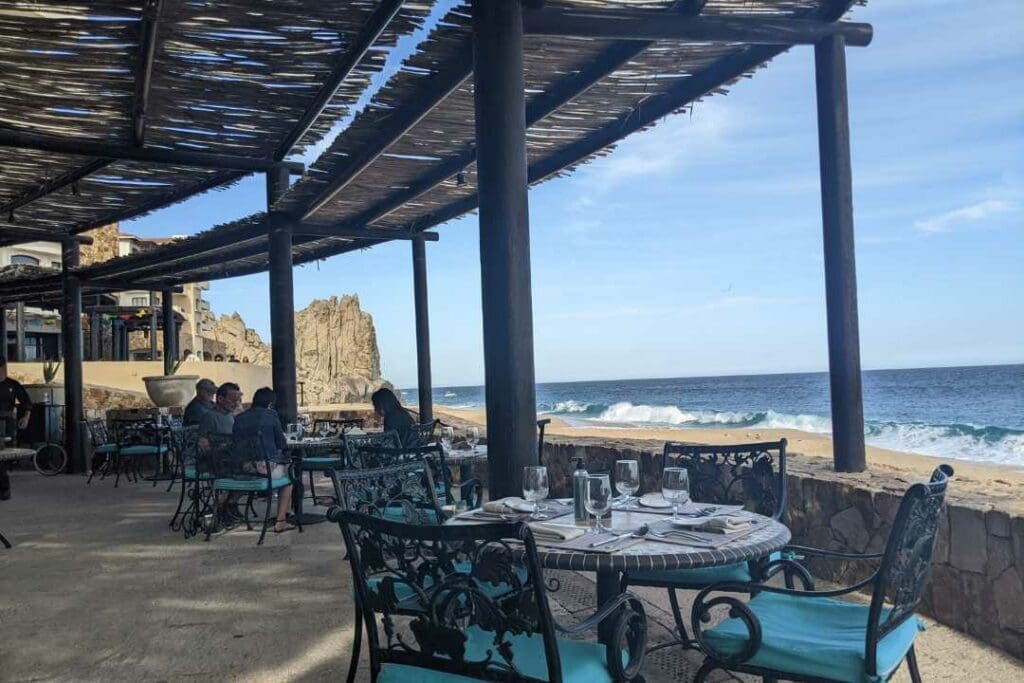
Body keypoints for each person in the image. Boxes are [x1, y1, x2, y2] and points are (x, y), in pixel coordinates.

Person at [233, 387, 293, 533]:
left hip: (242, 469)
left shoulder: (239, 418)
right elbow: (281, 444)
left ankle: (227, 503)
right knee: (290, 476)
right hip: (264, 471)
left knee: (282, 468)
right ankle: (281, 520)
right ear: (270, 404)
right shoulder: (271, 415)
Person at [0, 356, 31, 501]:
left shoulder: (12, 384)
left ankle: (4, 489)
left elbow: (26, 402)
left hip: (7, 422)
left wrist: (25, 418)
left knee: (4, 456)